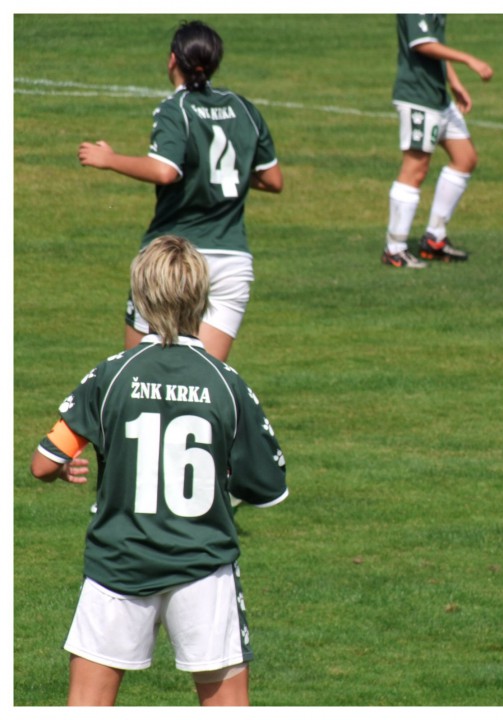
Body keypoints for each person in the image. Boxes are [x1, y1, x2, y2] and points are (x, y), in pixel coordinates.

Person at [30, 235, 289, 706]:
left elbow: (44, 461)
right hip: (204, 566)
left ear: (141, 299)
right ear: (202, 299)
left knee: (86, 705)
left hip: (117, 565)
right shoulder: (225, 383)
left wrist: (61, 470)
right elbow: (269, 485)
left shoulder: (111, 375)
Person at [78, 20, 284, 362]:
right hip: (231, 262)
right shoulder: (244, 108)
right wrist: (209, 175)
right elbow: (273, 180)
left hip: (171, 259)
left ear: (173, 59)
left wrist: (111, 159)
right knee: (202, 383)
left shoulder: (176, 109)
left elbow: (165, 170)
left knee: (138, 376)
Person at [383, 14, 493, 269]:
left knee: (465, 158)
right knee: (415, 169)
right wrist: (469, 59)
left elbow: (435, 43)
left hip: (438, 97)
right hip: (418, 97)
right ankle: (395, 249)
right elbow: (422, 44)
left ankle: (434, 238)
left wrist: (453, 82)